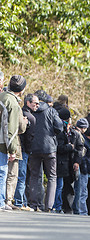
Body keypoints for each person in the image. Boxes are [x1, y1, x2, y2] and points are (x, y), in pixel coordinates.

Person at [28, 90, 63, 211]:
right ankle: (49, 206)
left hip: (34, 147)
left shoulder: (31, 110)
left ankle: (34, 204)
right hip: (49, 148)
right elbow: (59, 127)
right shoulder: (51, 111)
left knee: (34, 176)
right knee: (52, 177)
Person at [0, 75, 27, 210]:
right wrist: (12, 149)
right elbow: (14, 128)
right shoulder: (13, 103)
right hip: (4, 142)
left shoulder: (2, 97)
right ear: (22, 89)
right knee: (5, 172)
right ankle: (3, 201)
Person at [15, 94, 39, 211]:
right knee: (21, 176)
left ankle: (21, 200)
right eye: (35, 103)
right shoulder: (31, 118)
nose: (37, 106)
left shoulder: (22, 113)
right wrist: (29, 150)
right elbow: (29, 137)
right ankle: (20, 202)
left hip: (20, 148)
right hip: (23, 150)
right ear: (28, 103)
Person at [79, 124, 90, 215]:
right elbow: (83, 157)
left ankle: (83, 211)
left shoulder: (89, 142)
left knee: (84, 192)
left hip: (88, 170)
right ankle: (82, 211)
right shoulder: (84, 142)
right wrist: (85, 168)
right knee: (83, 192)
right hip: (84, 170)